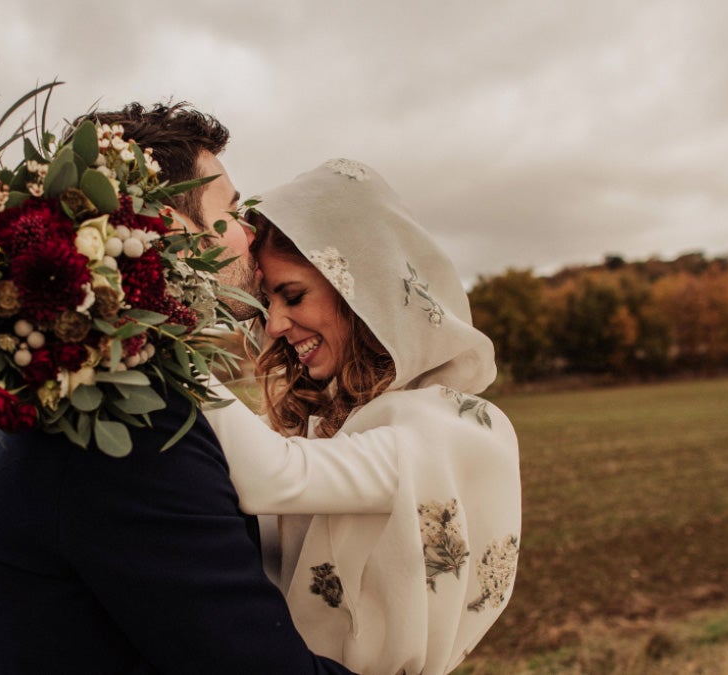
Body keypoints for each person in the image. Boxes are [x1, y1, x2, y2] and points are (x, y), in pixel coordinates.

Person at [0, 104, 359, 674]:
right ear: (171, 230)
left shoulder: (48, 395)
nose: (251, 235)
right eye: (233, 211)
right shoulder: (127, 428)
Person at [203, 159, 521, 675]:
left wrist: (153, 346)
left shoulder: (432, 429)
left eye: (293, 295)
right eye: (268, 302)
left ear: (359, 290)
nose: (276, 323)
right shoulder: (321, 420)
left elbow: (272, 476)